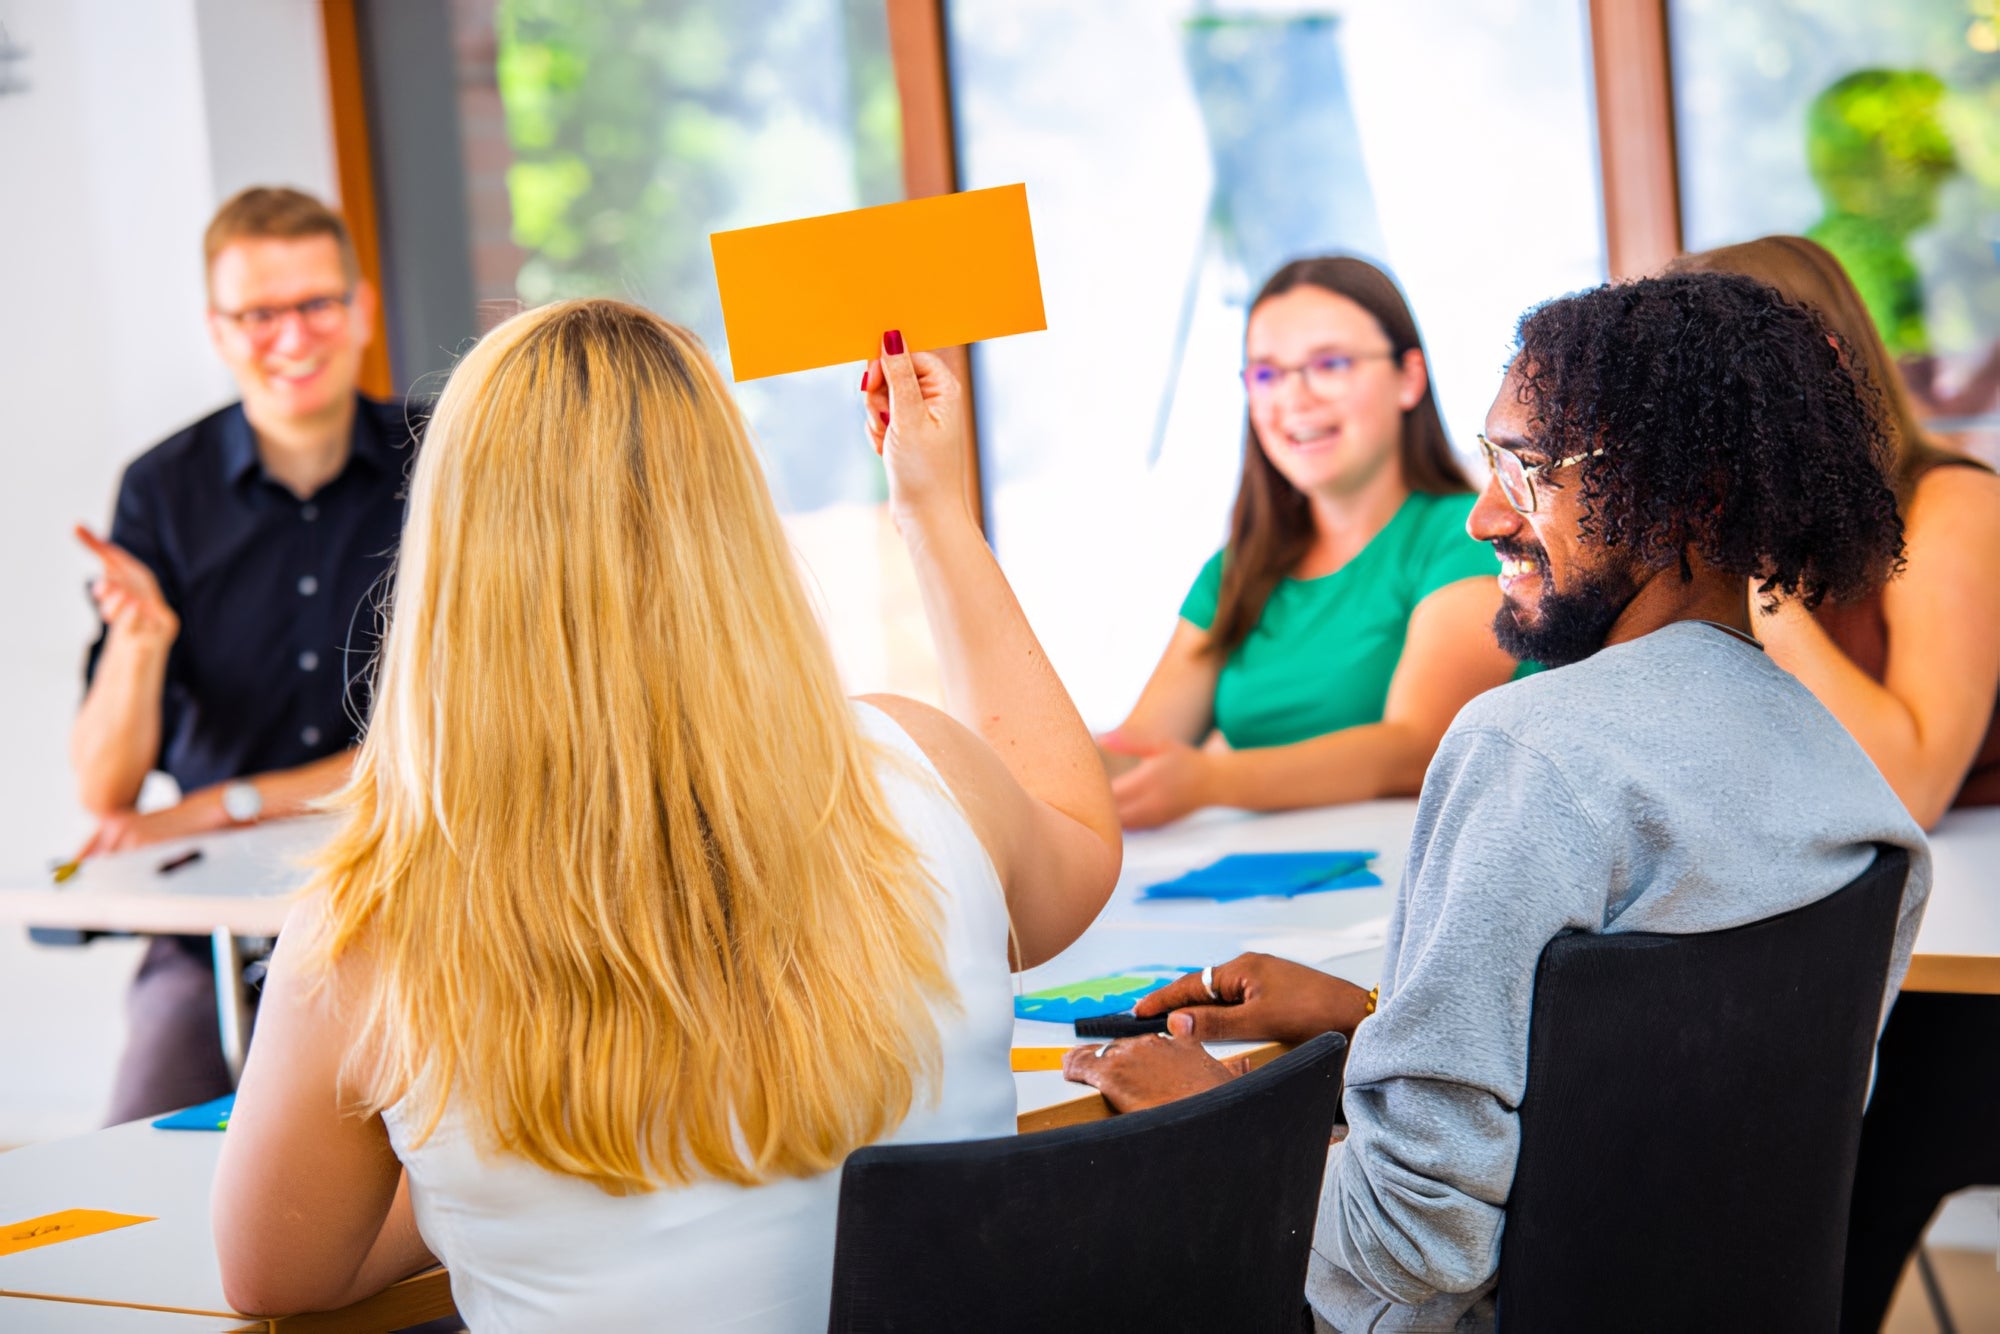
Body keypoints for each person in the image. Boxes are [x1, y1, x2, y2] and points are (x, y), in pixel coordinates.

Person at [209, 307, 1122, 1329]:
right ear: (734, 518)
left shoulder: (368, 928)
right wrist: (932, 509)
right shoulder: (923, 771)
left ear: (450, 558)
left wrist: (462, 1174)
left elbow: (274, 1275)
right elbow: (1079, 835)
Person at [1063, 272, 1931, 1332]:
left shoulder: (1526, 748)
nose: (1481, 515)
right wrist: (1371, 1020)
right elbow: (1657, 1108)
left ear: (1690, 495)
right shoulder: (1834, 766)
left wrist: (1207, 1110)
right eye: (1489, 464)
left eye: (1524, 472)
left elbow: (1409, 1250)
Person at [70, 186, 414, 1124]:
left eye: (316, 304)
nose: (293, 337)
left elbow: (438, 746)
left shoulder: (441, 460)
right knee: (136, 1156)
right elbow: (105, 791)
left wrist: (221, 806)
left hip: (406, 901)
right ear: (219, 330)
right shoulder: (161, 489)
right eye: (260, 314)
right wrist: (140, 646)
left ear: (361, 309)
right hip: (212, 932)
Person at [1102, 256, 1521, 830]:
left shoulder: (1469, 536)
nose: (1294, 399)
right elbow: (1139, 752)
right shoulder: (1236, 571)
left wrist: (1210, 780)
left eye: (1330, 363)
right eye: (1268, 374)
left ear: (1409, 378)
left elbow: (1421, 747)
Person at [1671, 235, 2000, 828]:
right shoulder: (1708, 514)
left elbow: (1913, 792)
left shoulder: (1953, 504)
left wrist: (1759, 573)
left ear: (1818, 369)